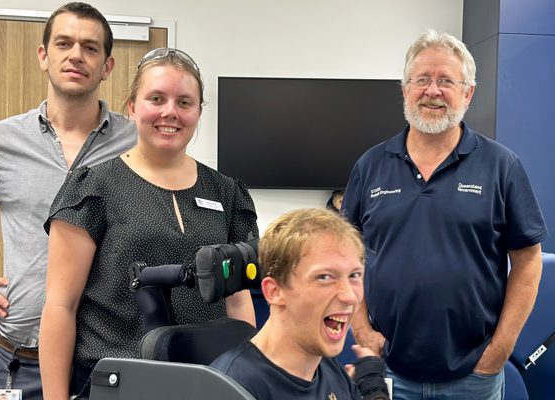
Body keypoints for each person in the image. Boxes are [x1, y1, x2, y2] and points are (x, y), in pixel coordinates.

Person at [39, 47, 259, 399]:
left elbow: (238, 302)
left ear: (199, 111)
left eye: (184, 102)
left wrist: (245, 380)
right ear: (132, 106)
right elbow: (60, 306)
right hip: (117, 383)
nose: (170, 112)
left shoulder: (226, 192)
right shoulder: (94, 186)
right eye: (156, 98)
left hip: (205, 383)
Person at [342, 28, 548, 399]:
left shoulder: (501, 166)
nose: (432, 91)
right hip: (390, 368)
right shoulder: (371, 165)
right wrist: (361, 328)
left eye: (445, 81)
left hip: (475, 373)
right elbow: (345, 257)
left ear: (467, 93)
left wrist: (501, 348)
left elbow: (528, 261)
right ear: (405, 89)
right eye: (422, 79)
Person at [0, 2, 135, 399]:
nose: (76, 55)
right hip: (20, 363)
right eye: (64, 43)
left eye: (90, 48)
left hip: (108, 367)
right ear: (43, 56)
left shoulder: (136, 144)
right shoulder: (0, 143)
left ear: (107, 67)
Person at [211, 208, 389, 400]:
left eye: (354, 275)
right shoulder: (233, 387)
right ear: (275, 291)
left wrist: (373, 389)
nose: (350, 296)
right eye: (324, 277)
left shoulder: (327, 366)